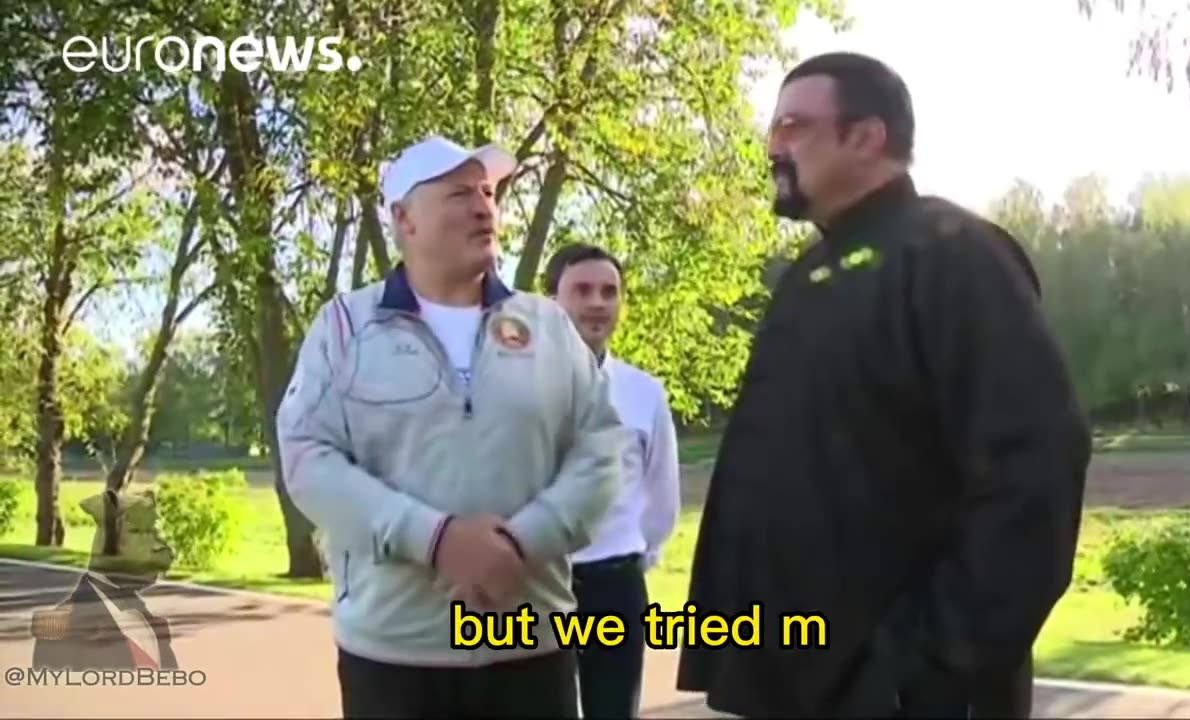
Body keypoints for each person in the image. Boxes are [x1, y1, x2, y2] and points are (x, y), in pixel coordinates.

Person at [675, 52, 1092, 718]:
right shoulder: (806, 278)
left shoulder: (955, 255)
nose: (772, 147)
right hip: (794, 680)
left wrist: (937, 659)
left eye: (792, 125)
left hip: (901, 692)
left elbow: (1034, 466)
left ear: (866, 136)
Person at [277, 135, 626, 718]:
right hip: (394, 654)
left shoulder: (548, 326)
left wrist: (519, 543)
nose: (484, 206)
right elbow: (309, 458)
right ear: (404, 218)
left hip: (531, 647)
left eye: (489, 193)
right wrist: (434, 540)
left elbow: (602, 450)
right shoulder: (344, 328)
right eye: (460, 193)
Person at [543, 242, 682, 719]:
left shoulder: (644, 393)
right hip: (539, 586)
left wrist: (638, 555)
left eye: (609, 291)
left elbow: (662, 492)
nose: (598, 302)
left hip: (615, 586)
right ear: (551, 302)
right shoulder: (513, 390)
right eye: (581, 290)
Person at [30, 489, 178, 671]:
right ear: (107, 543)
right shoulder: (66, 631)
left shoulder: (148, 621)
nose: (159, 545)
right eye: (141, 531)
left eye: (155, 533)